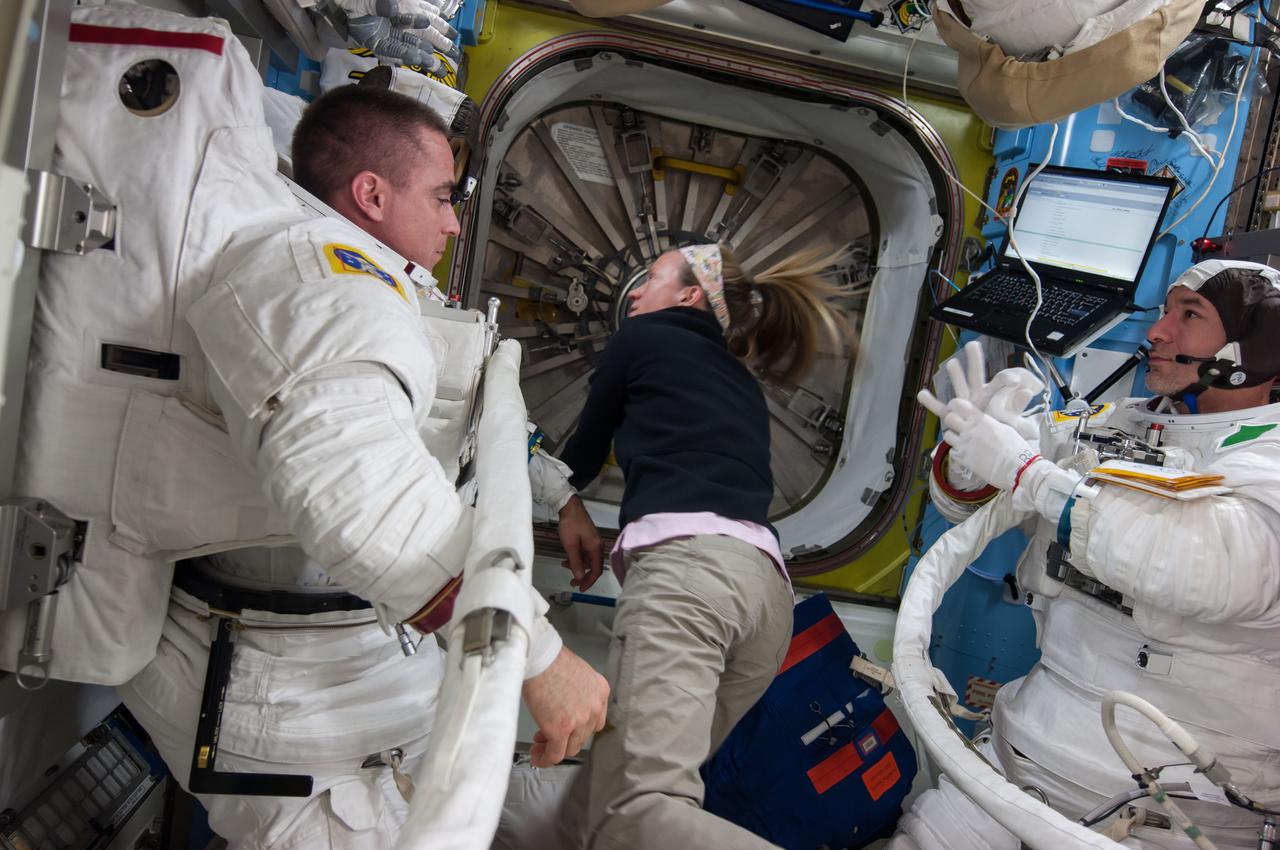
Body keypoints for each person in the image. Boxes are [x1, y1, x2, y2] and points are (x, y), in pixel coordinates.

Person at [117, 84, 609, 848]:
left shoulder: (370, 286)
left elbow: (468, 421)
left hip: (353, 685)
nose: (453, 221)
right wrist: (534, 653)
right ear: (371, 194)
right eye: (443, 197)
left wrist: (560, 499)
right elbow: (356, 487)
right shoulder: (321, 285)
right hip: (303, 721)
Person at [894, 259, 1280, 849]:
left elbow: (1210, 570)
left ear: (1255, 345)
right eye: (1162, 313)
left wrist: (1030, 473)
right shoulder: (1121, 425)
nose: (1158, 332)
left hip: (1167, 807)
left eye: (1190, 315)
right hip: (1024, 747)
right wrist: (974, 452)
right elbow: (972, 507)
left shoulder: (1267, 459)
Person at [555, 243, 853, 850]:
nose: (635, 293)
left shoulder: (643, 338)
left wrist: (555, 492)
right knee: (593, 813)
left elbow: (581, 457)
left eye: (651, 279)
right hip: (766, 603)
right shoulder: (740, 383)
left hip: (692, 582)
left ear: (689, 297)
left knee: (634, 813)